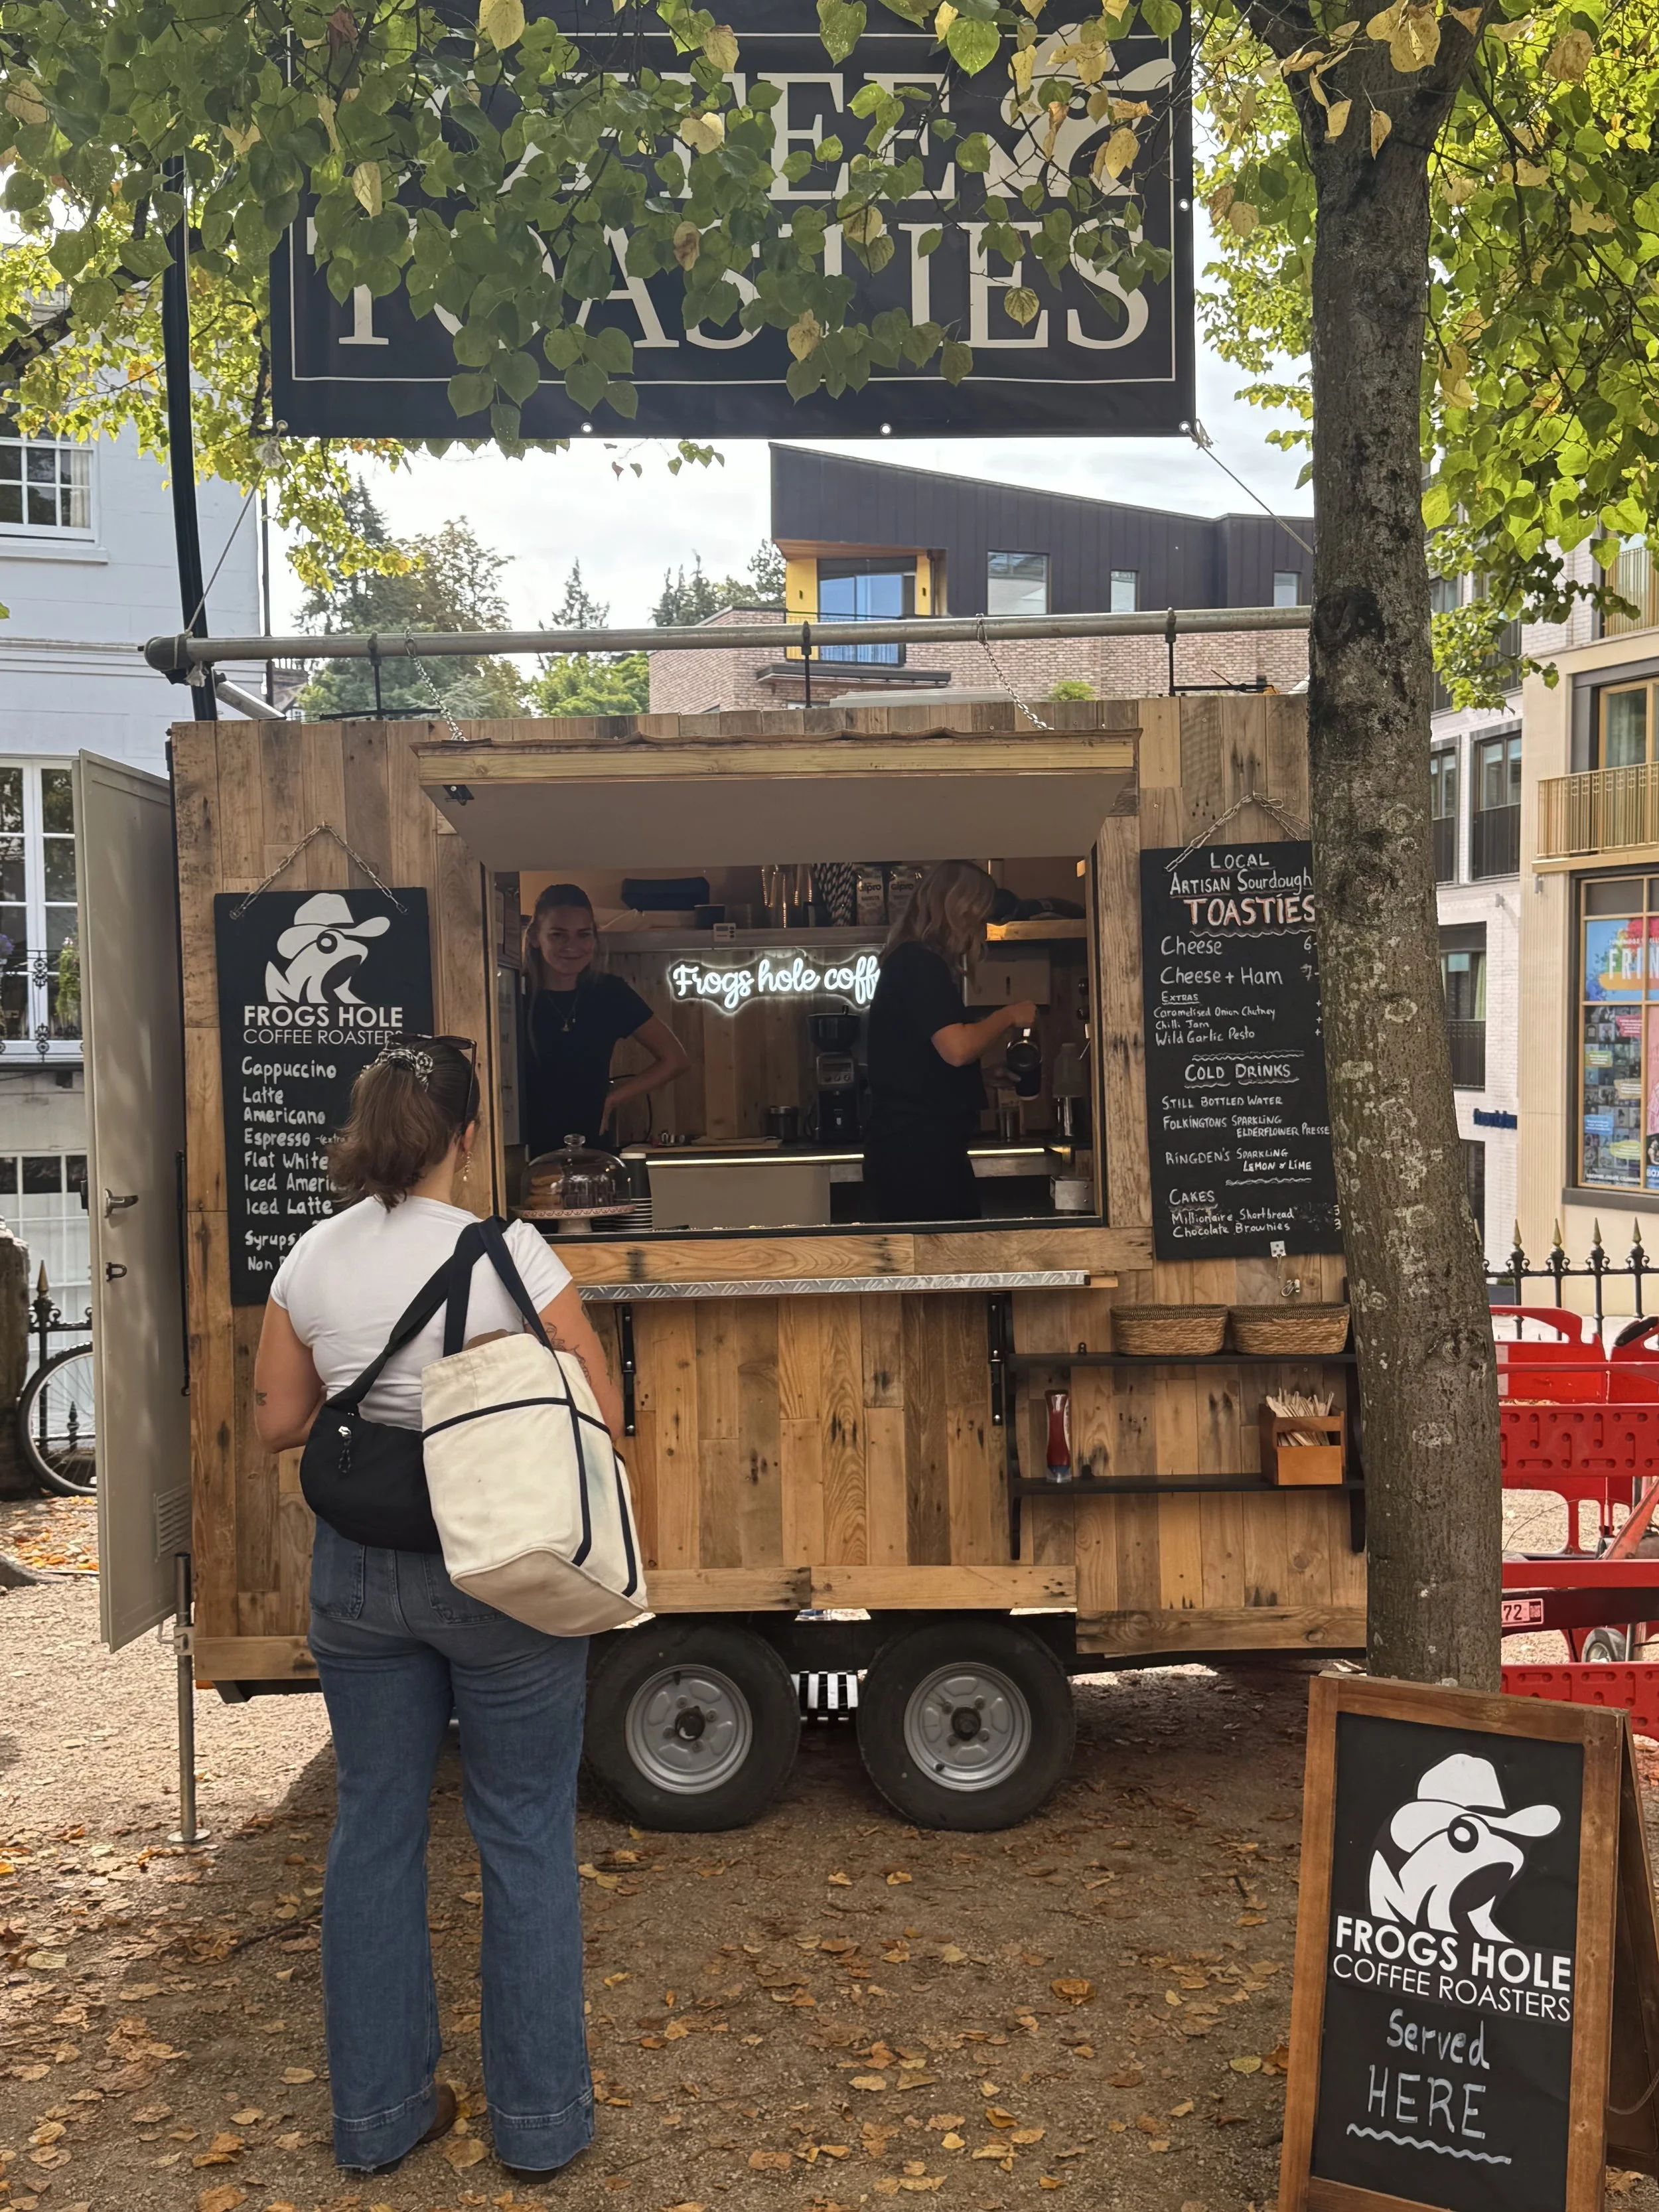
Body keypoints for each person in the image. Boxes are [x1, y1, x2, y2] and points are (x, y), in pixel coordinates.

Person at [252, 1037, 624, 2183]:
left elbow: (276, 1418)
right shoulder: (512, 1252)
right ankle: (540, 2121)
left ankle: (377, 2117)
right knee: (520, 1828)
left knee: (374, 1829)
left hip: (360, 1573)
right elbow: (599, 1412)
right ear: (466, 1134)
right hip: (500, 1567)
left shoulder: (309, 1255)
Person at [863, 861, 1037, 1223]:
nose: (981, 928)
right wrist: (1009, 1015)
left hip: (912, 1153)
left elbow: (920, 1062)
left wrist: (983, 1076)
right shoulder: (918, 965)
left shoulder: (910, 962)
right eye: (979, 915)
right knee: (953, 1272)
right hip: (920, 1157)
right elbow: (957, 1049)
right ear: (962, 910)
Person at [522, 883, 688, 1157]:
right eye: (558, 935)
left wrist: (612, 1099)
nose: (572, 946)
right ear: (534, 939)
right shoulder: (514, 994)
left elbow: (676, 1059)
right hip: (526, 1149)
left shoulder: (609, 993)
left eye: (583, 935)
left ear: (594, 939)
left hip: (594, 1148)